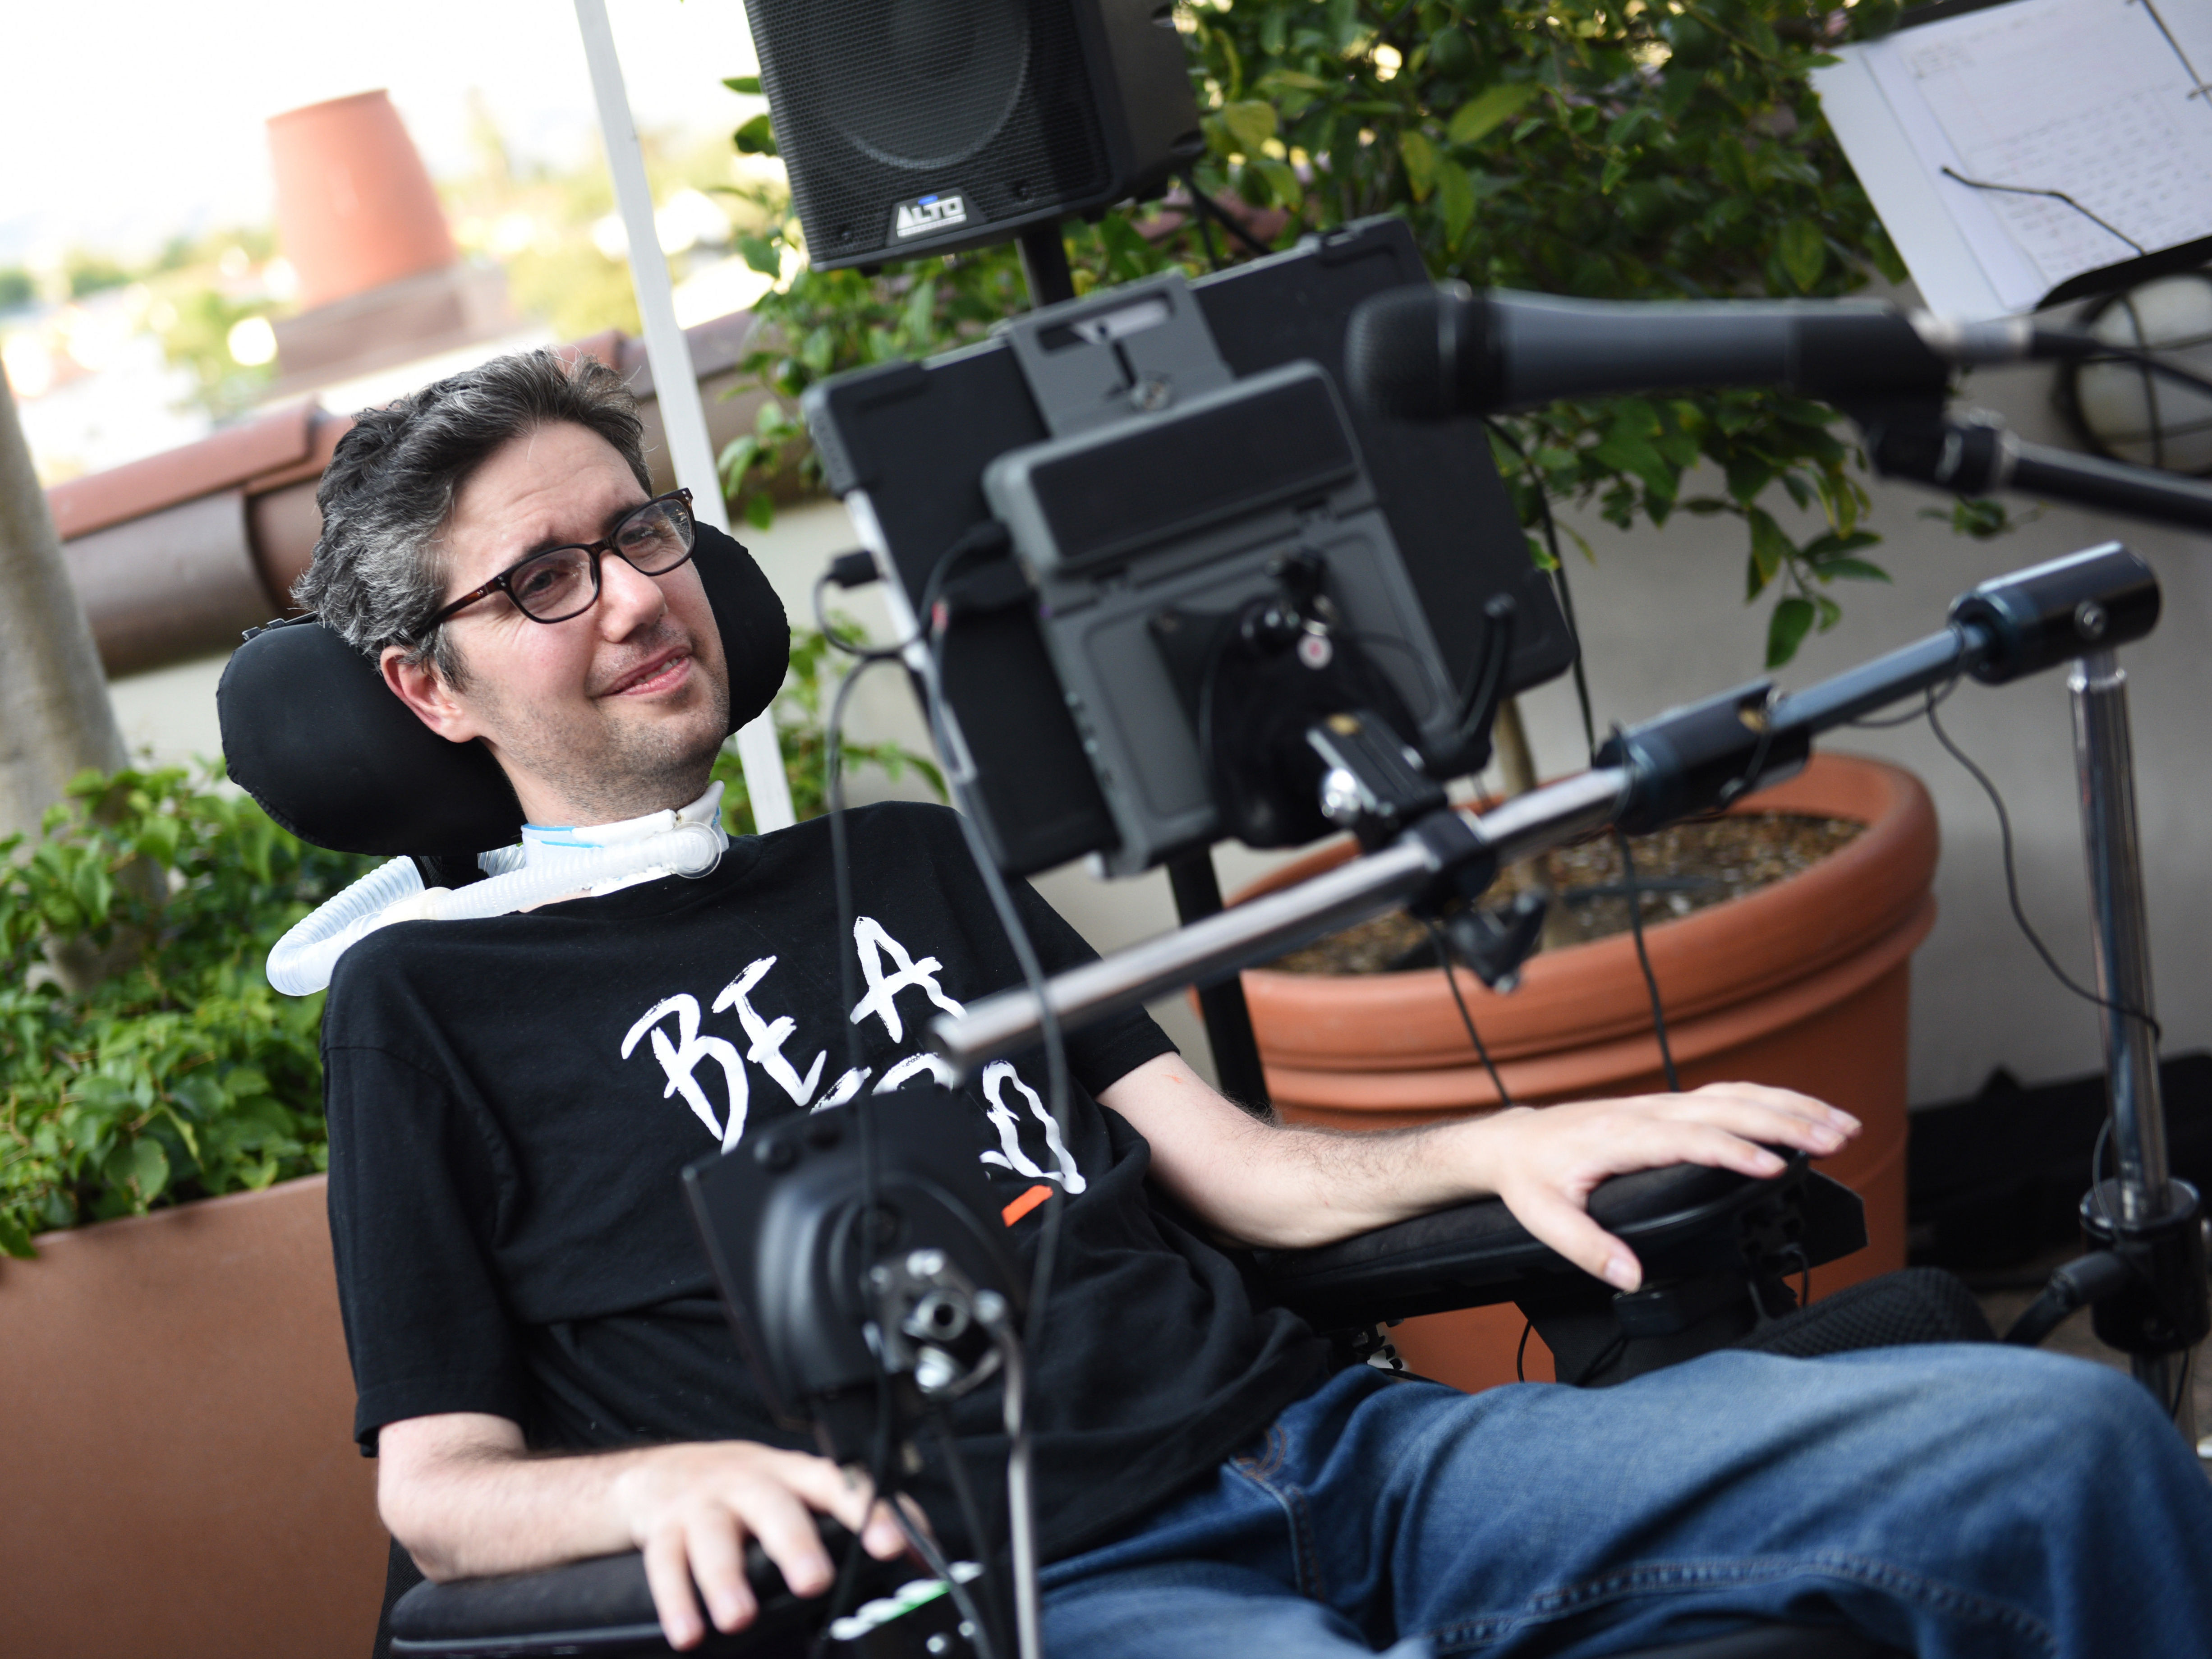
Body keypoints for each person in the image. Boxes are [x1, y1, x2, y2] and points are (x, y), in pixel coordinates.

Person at [298, 349, 2212, 1659]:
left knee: (2069, 1451)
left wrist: (1511, 1140)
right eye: (544, 578)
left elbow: (1243, 1169)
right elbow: (444, 1494)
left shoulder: (898, 857)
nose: (637, 593)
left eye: (641, 533)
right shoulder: (424, 1002)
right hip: (1044, 1590)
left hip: (1341, 1453)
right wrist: (671, 1480)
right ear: (430, 690)